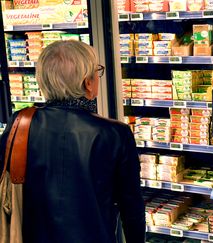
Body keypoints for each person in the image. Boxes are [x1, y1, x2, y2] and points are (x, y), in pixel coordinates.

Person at [0, 40, 145, 243]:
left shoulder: (20, 123)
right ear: (87, 82)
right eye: (97, 72)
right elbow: (131, 207)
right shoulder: (115, 133)